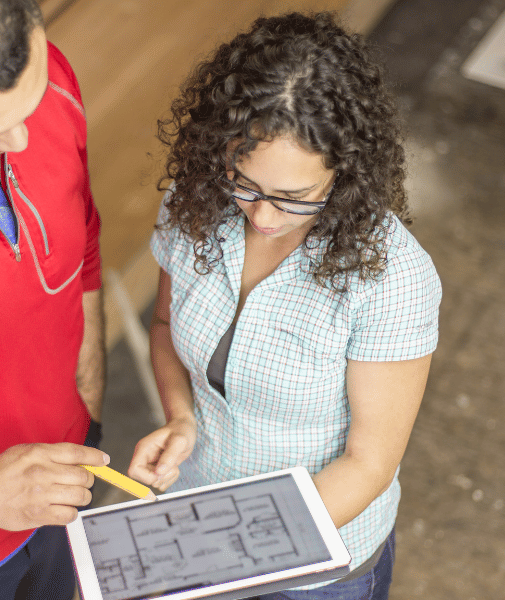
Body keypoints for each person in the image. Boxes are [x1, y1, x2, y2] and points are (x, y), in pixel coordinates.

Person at [128, 11, 442, 600]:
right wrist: (180, 417)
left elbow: (368, 464)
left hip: (316, 561)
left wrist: (232, 547)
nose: (263, 218)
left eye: (294, 198)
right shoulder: (193, 205)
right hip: (196, 512)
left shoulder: (393, 278)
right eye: (244, 184)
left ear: (346, 172)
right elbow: (167, 324)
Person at [0, 1, 110, 598]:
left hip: (59, 492)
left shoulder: (37, 77)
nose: (22, 137)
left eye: (31, 100)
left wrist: (87, 399)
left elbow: (81, 238)